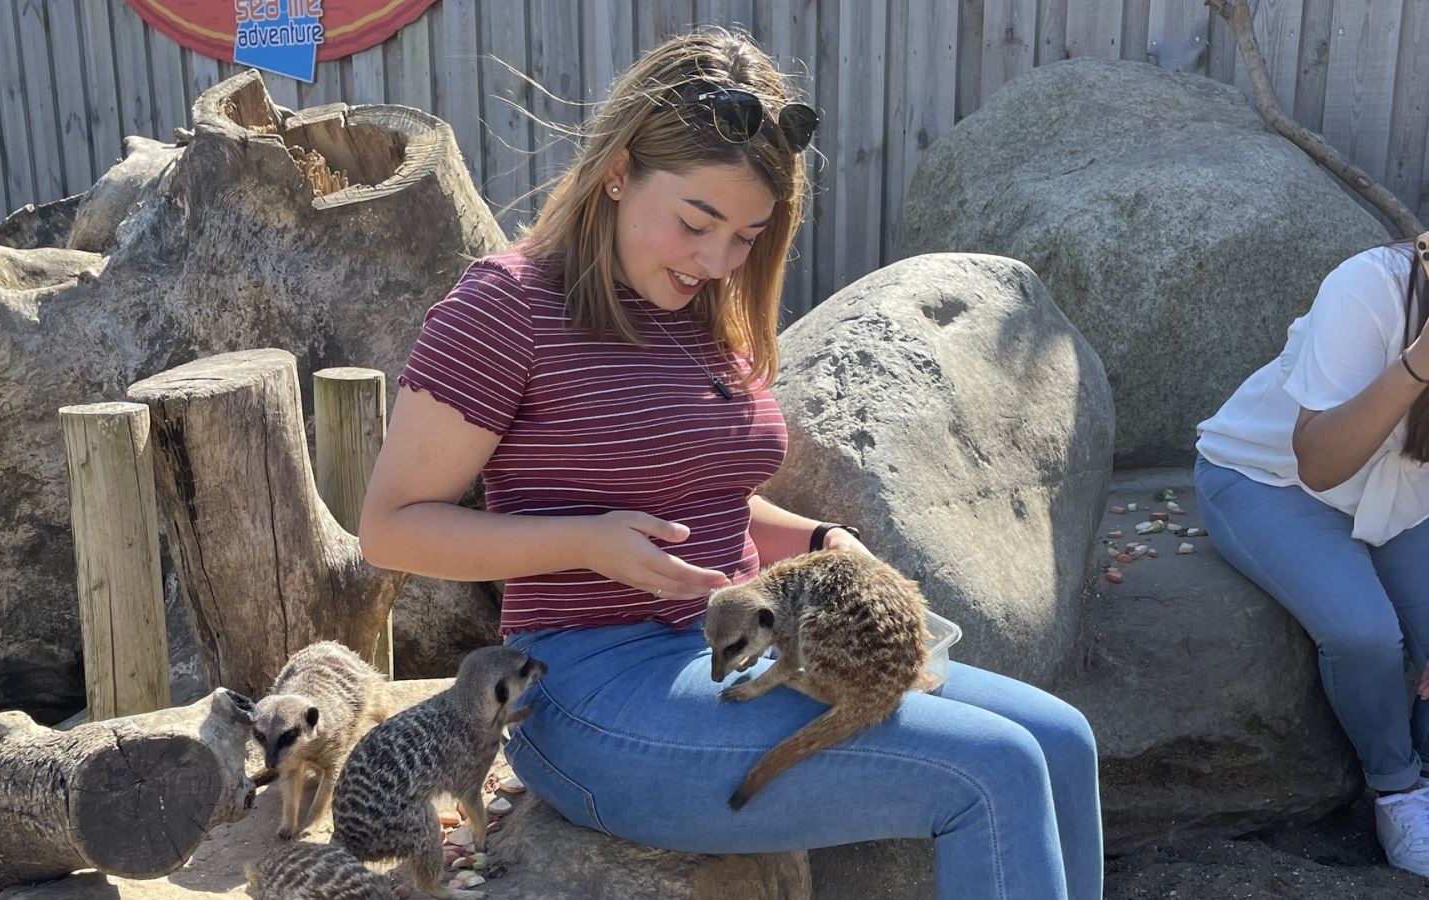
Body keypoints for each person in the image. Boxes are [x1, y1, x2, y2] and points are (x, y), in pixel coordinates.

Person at [359, 28, 1102, 900]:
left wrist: (822, 539)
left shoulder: (707, 308)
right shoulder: (505, 308)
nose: (717, 261)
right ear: (618, 169)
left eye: (747, 235)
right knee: (997, 770)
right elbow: (390, 530)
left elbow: (707, 504)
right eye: (695, 223)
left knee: (1061, 740)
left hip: (748, 648)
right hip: (589, 689)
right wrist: (586, 543)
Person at [1195, 233, 1429, 878]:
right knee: (1365, 634)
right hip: (1272, 481)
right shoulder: (1369, 285)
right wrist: (1420, 363)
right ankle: (1399, 790)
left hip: (1408, 495)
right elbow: (1320, 465)